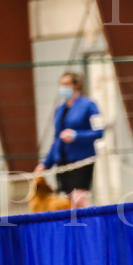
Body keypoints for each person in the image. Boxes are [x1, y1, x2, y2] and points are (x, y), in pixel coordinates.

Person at [35, 72, 104, 208]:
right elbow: (56, 139)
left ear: (76, 85)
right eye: (61, 84)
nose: (63, 88)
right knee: (67, 202)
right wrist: (45, 164)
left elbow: (99, 132)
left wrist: (76, 135)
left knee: (79, 199)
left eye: (66, 84)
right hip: (62, 162)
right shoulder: (59, 109)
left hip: (82, 160)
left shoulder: (89, 105)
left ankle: (89, 221)